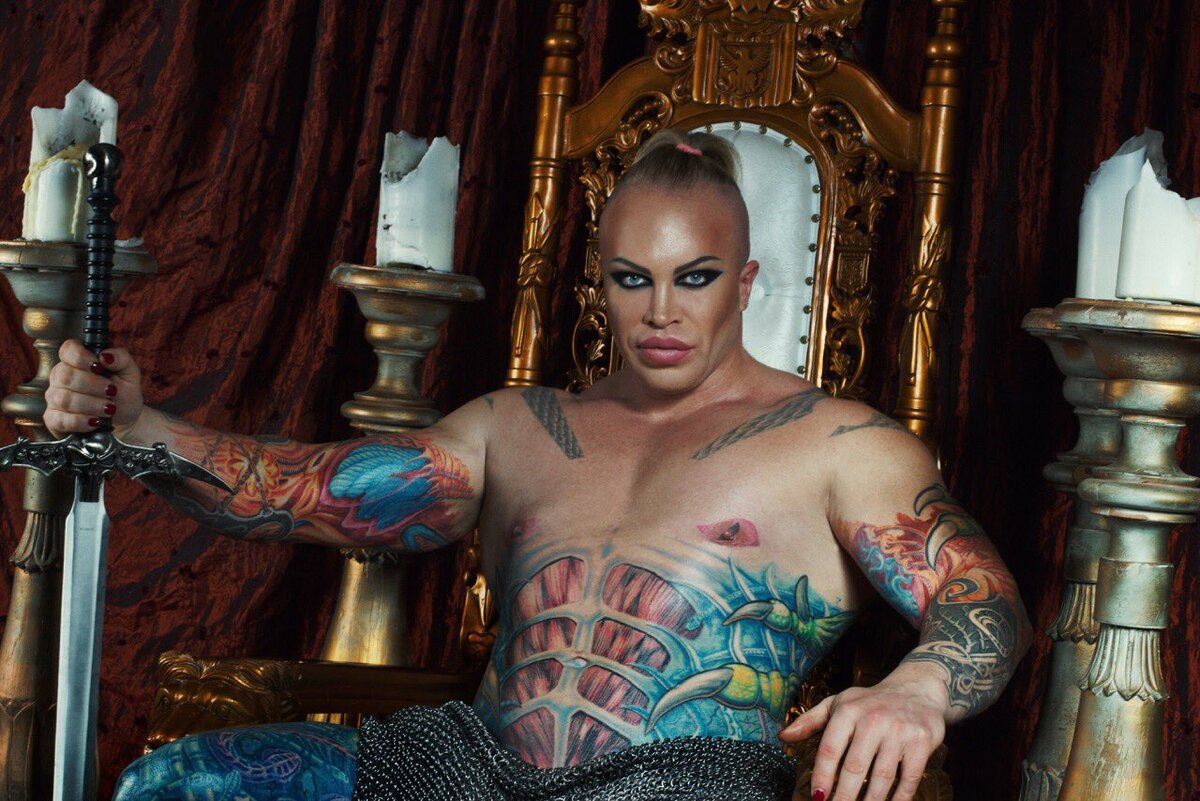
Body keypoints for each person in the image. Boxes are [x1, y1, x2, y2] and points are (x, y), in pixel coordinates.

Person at [46, 130, 1030, 801]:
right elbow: (300, 493)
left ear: (746, 281)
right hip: (461, 770)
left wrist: (920, 688)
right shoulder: (519, 426)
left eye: (694, 279)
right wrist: (142, 426)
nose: (661, 312)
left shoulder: (841, 443)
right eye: (632, 280)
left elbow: (984, 600)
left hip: (679, 786)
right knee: (174, 783)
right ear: (600, 281)